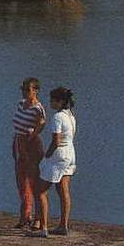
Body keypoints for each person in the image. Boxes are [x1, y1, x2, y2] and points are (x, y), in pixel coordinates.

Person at [27, 87, 77, 237]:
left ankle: (43, 228)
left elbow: (56, 141)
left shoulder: (57, 117)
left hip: (59, 155)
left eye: (52, 100)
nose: (50, 103)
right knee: (63, 191)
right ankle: (63, 225)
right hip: (70, 154)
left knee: (40, 190)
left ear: (60, 101)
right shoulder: (71, 116)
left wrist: (47, 155)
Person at [12, 77, 46, 230]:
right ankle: (25, 215)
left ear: (35, 91)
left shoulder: (38, 108)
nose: (25, 92)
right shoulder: (20, 104)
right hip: (19, 142)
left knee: (34, 182)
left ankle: (38, 219)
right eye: (23, 89)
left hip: (31, 145)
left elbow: (42, 123)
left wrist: (32, 136)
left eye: (28, 90)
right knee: (21, 181)